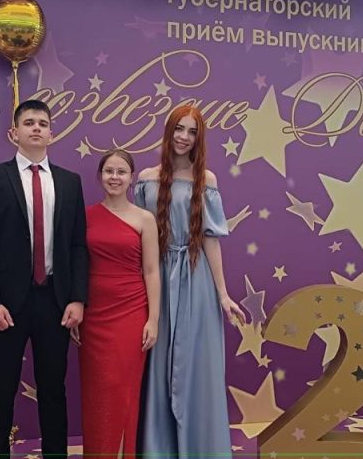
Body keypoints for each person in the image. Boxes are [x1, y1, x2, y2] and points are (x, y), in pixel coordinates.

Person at [0, 99, 89, 458]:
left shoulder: (70, 182)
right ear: (14, 133)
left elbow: (78, 246)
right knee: (1, 387)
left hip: (55, 300)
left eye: (43, 123)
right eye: (29, 123)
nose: (36, 128)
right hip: (6, 304)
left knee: (53, 388)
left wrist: (77, 298)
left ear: (52, 133)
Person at [135, 105, 247, 458]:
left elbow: (210, 240)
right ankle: (159, 449)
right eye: (179, 129)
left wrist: (223, 294)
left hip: (196, 278)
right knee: (158, 363)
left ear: (200, 138)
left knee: (198, 365)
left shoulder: (207, 180)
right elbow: (136, 236)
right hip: (156, 278)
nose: (184, 137)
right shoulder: (146, 178)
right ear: (168, 131)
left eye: (192, 132)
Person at [78, 149, 160, 459]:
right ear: (100, 176)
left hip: (131, 311)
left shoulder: (145, 219)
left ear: (131, 178)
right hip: (93, 314)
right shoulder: (84, 216)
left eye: (121, 172)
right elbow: (75, 266)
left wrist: (153, 319)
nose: (114, 177)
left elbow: (151, 271)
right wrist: (77, 308)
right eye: (109, 171)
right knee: (97, 391)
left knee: (123, 389)